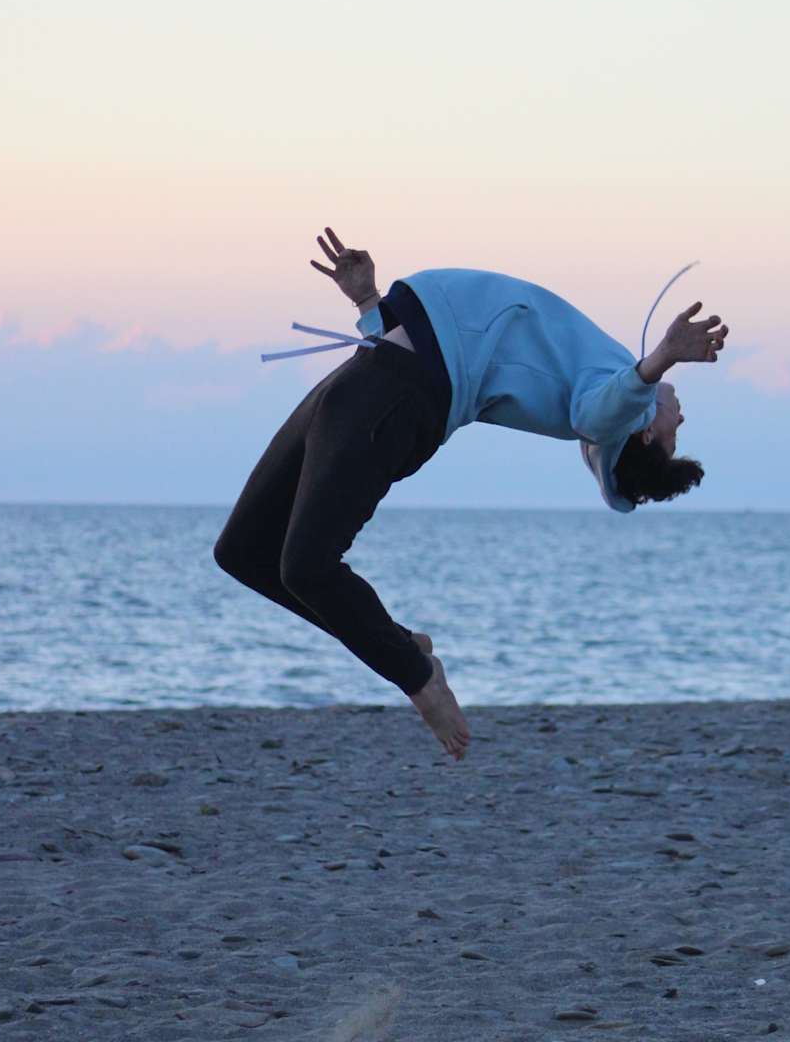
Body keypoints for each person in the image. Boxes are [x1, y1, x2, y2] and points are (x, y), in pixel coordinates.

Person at [214, 227, 729, 762]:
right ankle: (397, 643)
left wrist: (663, 357)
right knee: (242, 551)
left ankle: (418, 678)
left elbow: (596, 415)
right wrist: (368, 300)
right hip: (375, 366)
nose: (681, 418)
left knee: (307, 566)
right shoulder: (604, 370)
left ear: (645, 431)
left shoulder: (620, 398)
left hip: (398, 394)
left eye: (674, 435)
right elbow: (435, 344)